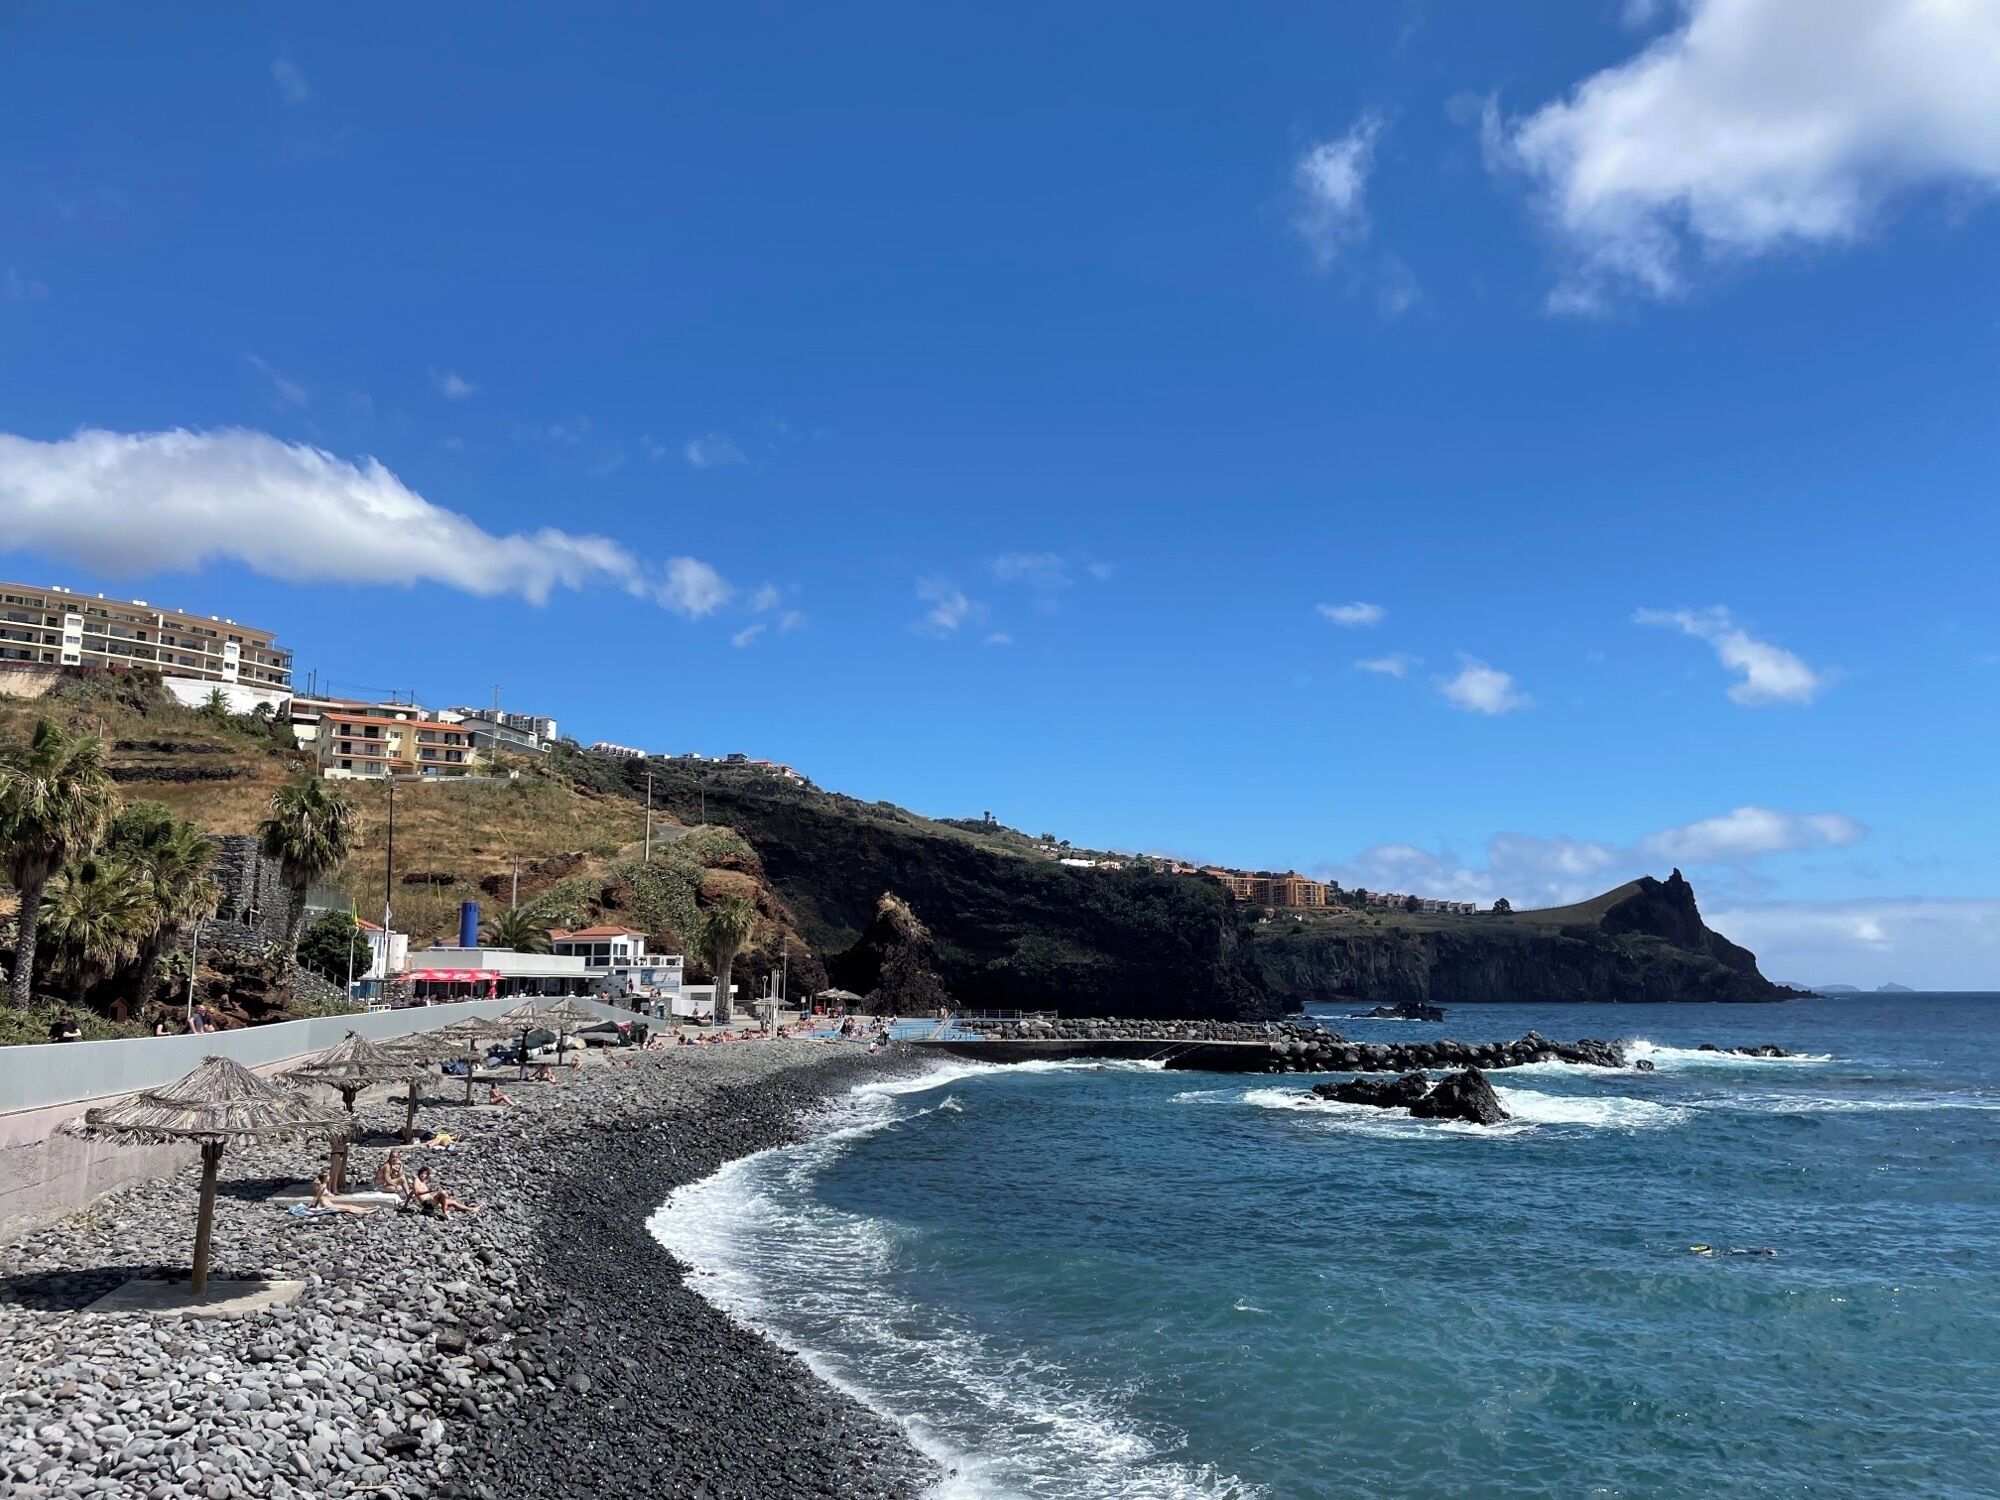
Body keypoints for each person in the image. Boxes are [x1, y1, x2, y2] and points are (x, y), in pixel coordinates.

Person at [407, 1167, 481, 1216]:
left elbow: (411, 1193)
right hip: (427, 1203)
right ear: (419, 1174)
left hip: (431, 1201)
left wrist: (404, 1206)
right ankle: (445, 1213)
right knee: (443, 1193)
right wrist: (429, 1191)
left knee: (453, 1202)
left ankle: (472, 1209)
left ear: (427, 1175)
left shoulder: (423, 1183)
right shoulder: (417, 1181)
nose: (423, 1175)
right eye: (422, 1173)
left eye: (425, 1174)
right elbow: (416, 1192)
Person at [311, 1174, 378, 1216]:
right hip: (327, 1205)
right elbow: (317, 1197)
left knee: (349, 1206)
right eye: (328, 1176)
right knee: (348, 1208)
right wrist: (312, 1206)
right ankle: (365, 1212)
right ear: (325, 1178)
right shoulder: (322, 1187)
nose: (329, 1177)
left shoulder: (324, 1186)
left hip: (328, 1203)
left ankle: (367, 1209)